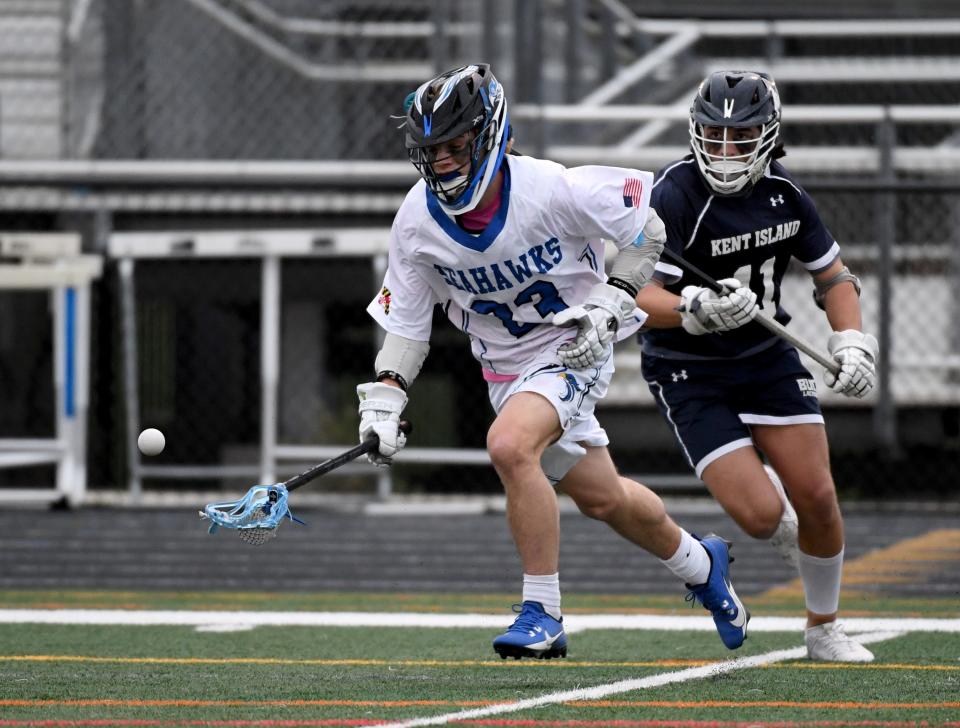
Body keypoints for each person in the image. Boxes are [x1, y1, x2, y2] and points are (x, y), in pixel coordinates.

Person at [355, 63, 749, 660]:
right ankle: (702, 565)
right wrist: (387, 398)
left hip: (576, 340)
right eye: (431, 150)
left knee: (510, 447)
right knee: (604, 497)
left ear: (489, 134)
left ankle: (542, 611)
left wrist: (612, 305)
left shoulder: (551, 188)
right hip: (504, 368)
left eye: (455, 146)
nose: (441, 162)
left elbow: (647, 229)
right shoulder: (415, 221)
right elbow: (408, 325)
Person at [562, 70, 877, 662]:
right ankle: (781, 537)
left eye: (742, 135)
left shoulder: (787, 195)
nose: (726, 149)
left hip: (766, 358)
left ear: (769, 134)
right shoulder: (673, 195)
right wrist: (696, 308)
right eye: (715, 133)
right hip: (689, 369)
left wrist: (853, 341)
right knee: (761, 518)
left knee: (817, 495)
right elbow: (634, 294)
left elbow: (833, 276)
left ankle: (824, 627)